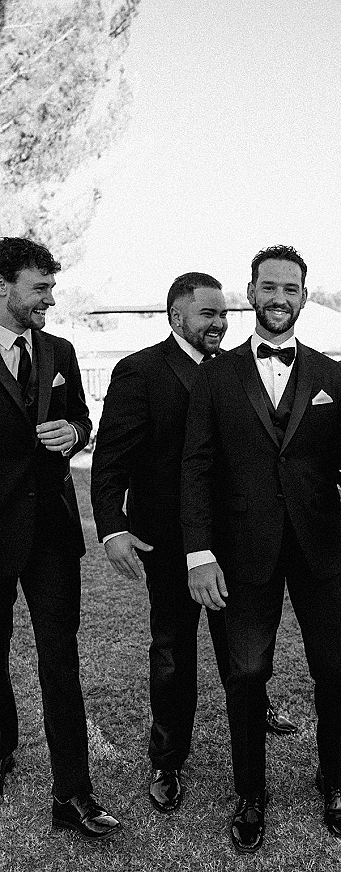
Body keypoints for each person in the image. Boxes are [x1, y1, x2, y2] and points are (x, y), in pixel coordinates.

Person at [181, 245, 341, 853]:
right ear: (250, 294)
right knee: (247, 673)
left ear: (305, 297)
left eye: (291, 289)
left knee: (336, 670)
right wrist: (199, 553)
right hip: (242, 555)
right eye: (268, 287)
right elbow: (196, 468)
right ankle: (250, 793)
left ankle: (334, 780)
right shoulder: (215, 376)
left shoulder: (332, 375)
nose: (279, 298)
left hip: (323, 552)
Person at [91, 272, 296, 814]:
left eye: (224, 314)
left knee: (245, 646)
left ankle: (254, 714)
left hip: (239, 538)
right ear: (176, 315)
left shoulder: (239, 368)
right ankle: (167, 758)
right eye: (208, 314)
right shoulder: (139, 371)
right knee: (174, 651)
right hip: (167, 542)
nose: (220, 323)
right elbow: (110, 457)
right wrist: (112, 527)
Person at [0, 237, 120, 838]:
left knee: (60, 660)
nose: (50, 298)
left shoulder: (61, 350)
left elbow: (84, 419)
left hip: (50, 530)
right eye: (39, 288)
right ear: (3, 288)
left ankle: (73, 793)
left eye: (52, 287)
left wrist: (73, 433)